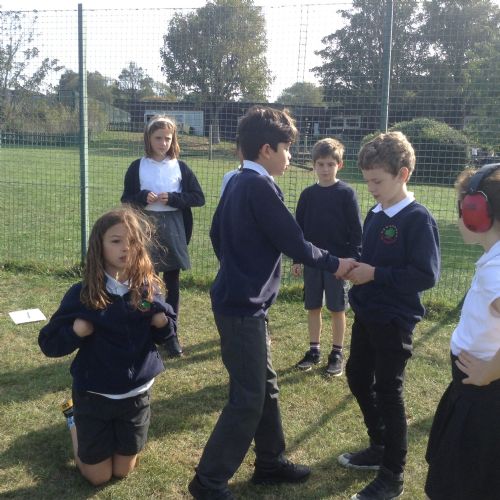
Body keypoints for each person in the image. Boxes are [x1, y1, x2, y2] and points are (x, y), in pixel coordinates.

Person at [188, 105, 356, 499]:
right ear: (267, 150)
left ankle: (270, 462)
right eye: (287, 148)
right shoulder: (259, 186)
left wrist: (237, 267)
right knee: (248, 398)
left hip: (243, 302)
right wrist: (338, 264)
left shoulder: (238, 180)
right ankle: (208, 481)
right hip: (241, 308)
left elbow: (216, 234)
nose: (290, 157)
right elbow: (295, 243)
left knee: (266, 386)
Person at [38, 207, 177, 486]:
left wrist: (163, 324)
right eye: (116, 241)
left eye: (133, 241)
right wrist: (75, 332)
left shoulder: (147, 289)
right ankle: (73, 419)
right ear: (99, 246)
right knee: (98, 477)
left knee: (123, 471)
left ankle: (113, 440)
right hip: (94, 396)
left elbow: (167, 335)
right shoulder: (84, 293)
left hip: (136, 396)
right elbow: (49, 343)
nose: (126, 248)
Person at [338, 132, 440, 500]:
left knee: (388, 390)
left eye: (378, 182)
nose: (371, 189)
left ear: (403, 174)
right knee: (357, 375)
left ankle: (393, 475)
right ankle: (379, 444)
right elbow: (371, 258)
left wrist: (376, 274)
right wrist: (356, 267)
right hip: (367, 312)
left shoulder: (417, 219)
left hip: (395, 319)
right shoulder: (376, 213)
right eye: (367, 181)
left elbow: (426, 275)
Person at [425, 163, 500, 500]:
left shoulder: (495, 271)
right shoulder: (493, 261)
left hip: (482, 394)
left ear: (477, 213)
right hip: (472, 389)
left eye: (462, 209)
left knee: (462, 484)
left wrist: (491, 370)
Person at [121, 115, 205, 357]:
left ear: (173, 139)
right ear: (148, 138)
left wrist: (175, 198)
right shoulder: (137, 166)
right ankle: (146, 327)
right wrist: (141, 197)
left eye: (168, 138)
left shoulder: (180, 167)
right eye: (158, 138)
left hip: (174, 227)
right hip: (145, 227)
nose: (163, 143)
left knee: (172, 281)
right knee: (146, 280)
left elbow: (198, 197)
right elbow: (126, 199)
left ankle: (171, 332)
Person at [292, 137, 362, 376]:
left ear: (339, 165)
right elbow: (298, 231)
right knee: (313, 306)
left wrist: (351, 261)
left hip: (338, 264)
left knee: (336, 308)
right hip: (312, 262)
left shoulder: (346, 193)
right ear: (313, 165)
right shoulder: (307, 195)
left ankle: (337, 353)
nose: (325, 169)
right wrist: (297, 259)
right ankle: (314, 350)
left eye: (330, 164)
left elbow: (356, 231)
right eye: (320, 164)